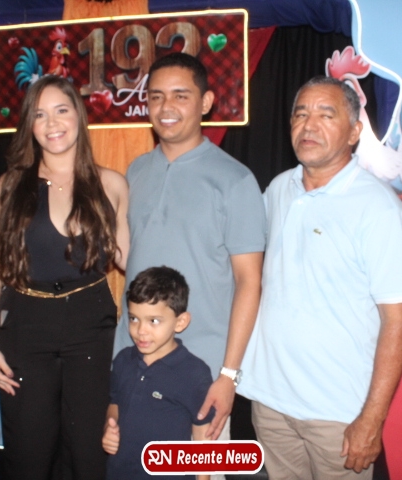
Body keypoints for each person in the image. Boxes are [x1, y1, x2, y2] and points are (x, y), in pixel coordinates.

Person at [237, 76, 402, 479]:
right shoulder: (278, 190)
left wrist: (371, 419)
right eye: (300, 114)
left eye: (326, 114)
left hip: (339, 414)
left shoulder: (378, 208)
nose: (309, 125)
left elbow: (398, 321)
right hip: (270, 402)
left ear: (354, 132)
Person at [0, 75, 130, 480]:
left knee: (89, 450)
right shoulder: (10, 186)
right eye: (40, 114)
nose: (52, 123)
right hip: (27, 325)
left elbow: (130, 260)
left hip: (91, 324)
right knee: (29, 452)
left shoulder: (111, 183)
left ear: (78, 116)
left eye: (61, 110)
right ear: (29, 124)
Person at [113, 52, 266, 445]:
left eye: (181, 96)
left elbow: (249, 282)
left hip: (201, 373)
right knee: (133, 466)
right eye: (157, 96)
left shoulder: (235, 180)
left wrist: (228, 375)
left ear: (206, 102)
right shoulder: (136, 171)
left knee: (198, 470)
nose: (166, 107)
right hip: (133, 361)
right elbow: (130, 260)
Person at [103, 266, 213, 480]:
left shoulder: (194, 373)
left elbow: (203, 439)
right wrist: (110, 425)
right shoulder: (123, 360)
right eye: (134, 319)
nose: (141, 330)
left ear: (180, 322)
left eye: (153, 321)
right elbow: (114, 403)